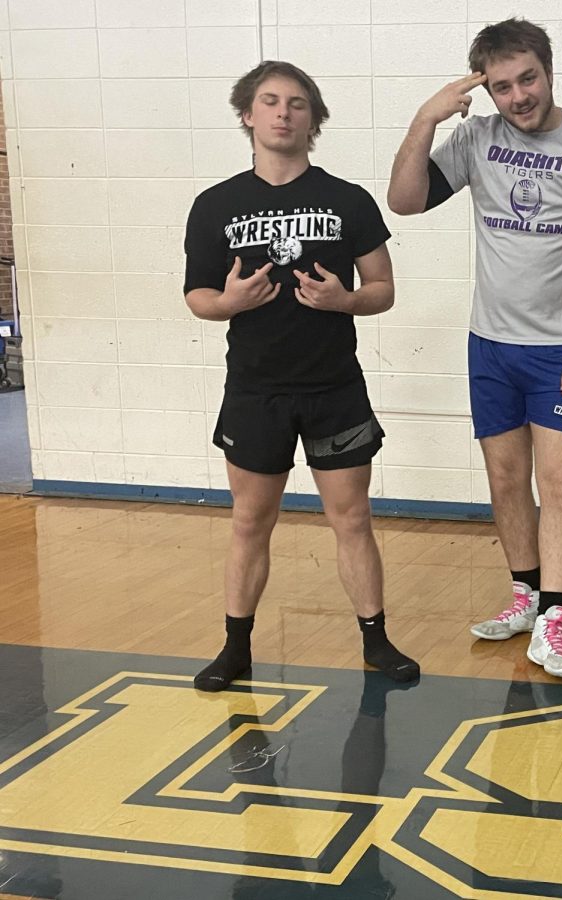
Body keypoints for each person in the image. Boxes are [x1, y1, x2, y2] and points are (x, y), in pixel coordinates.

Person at [386, 19, 562, 680]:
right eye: (502, 86)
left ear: (548, 71)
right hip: (490, 346)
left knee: (558, 483)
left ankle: (554, 619)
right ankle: (525, 596)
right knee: (505, 479)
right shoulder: (474, 140)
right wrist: (425, 120)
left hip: (561, 351)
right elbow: (404, 201)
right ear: (486, 91)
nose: (518, 95)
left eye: (527, 78)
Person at [184, 61, 418, 691]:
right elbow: (198, 297)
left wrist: (345, 300)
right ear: (247, 114)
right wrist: (229, 304)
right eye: (270, 101)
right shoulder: (216, 205)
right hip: (255, 390)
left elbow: (385, 289)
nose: (283, 112)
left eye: (296, 103)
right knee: (249, 521)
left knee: (352, 519)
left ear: (313, 119)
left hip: (333, 388)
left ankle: (376, 640)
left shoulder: (348, 200)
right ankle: (236, 648)